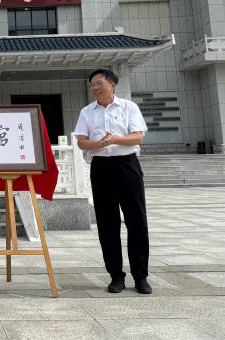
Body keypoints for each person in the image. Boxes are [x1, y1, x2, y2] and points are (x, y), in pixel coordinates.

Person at [73, 69, 152, 294]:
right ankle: (116, 276)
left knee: (137, 221)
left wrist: (115, 139)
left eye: (99, 83)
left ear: (112, 84)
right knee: (107, 223)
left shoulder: (128, 107)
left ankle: (140, 276)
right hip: (101, 168)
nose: (94, 88)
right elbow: (81, 142)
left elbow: (138, 137)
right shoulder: (87, 112)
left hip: (128, 165)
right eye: (92, 85)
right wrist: (100, 144)